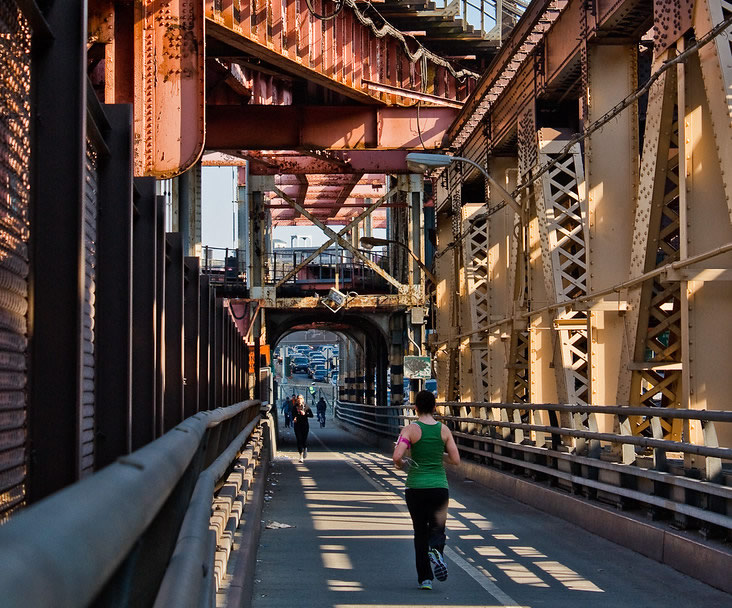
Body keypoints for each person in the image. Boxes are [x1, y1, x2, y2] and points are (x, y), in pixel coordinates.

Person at [392, 390, 460, 591]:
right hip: (439, 487)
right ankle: (436, 551)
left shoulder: (410, 430)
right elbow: (456, 460)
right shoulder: (444, 430)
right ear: (434, 407)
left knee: (420, 532)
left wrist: (402, 463)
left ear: (415, 408)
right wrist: (440, 456)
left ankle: (425, 579)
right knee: (438, 529)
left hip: (416, 488)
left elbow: (397, 456)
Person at [291, 394, 313, 463]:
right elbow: (292, 414)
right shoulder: (294, 407)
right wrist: (294, 418)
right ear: (297, 400)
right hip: (297, 425)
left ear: (303, 399)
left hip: (305, 425)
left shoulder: (306, 407)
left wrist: (305, 414)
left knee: (304, 440)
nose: (299, 400)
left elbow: (311, 415)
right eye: (298, 398)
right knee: (299, 440)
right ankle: (300, 456)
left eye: (301, 398)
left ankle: (305, 448)